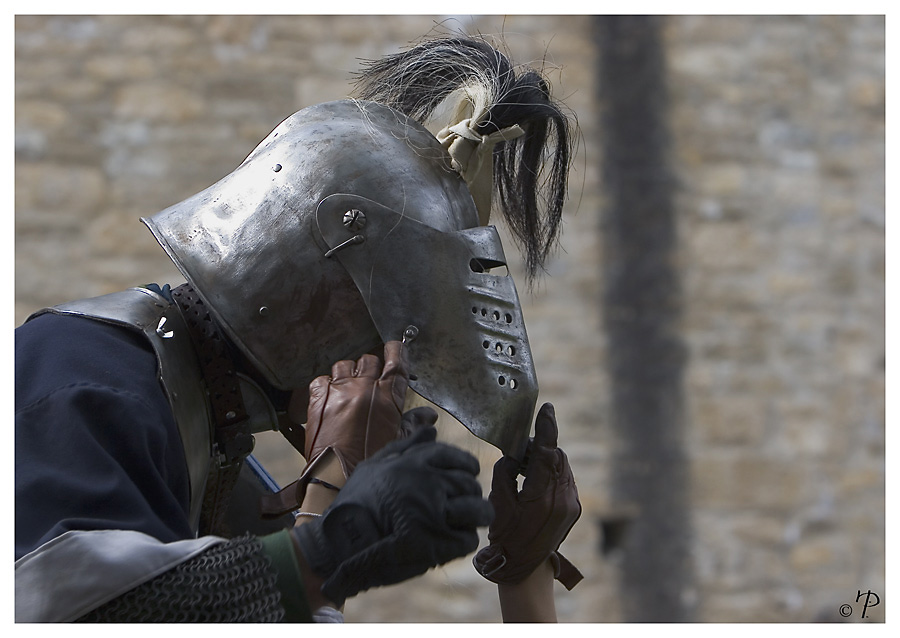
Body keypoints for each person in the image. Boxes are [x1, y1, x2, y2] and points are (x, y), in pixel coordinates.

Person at [15, 35, 581, 622]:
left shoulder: (214, 445)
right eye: (392, 342)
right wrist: (334, 532)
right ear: (310, 305)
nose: (398, 383)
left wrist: (523, 573)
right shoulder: (80, 374)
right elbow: (65, 612)